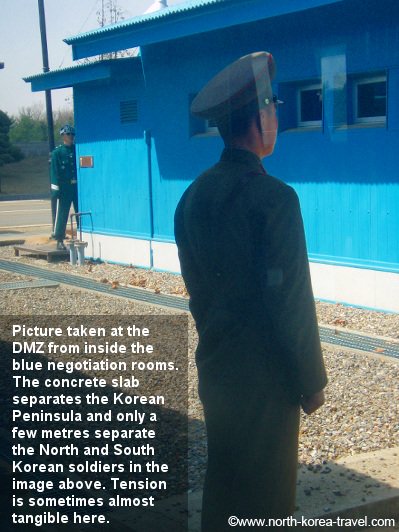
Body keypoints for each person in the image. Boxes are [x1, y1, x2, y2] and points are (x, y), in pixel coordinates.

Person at [174, 52, 327, 531]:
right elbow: (291, 303)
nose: (276, 119)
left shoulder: (191, 197)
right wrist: (311, 380)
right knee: (266, 500)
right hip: (267, 382)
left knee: (225, 488)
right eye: (273, 109)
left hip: (217, 371)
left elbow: (199, 294)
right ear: (260, 118)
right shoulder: (275, 198)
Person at [50, 124, 78, 250]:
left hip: (76, 187)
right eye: (68, 134)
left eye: (72, 134)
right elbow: (54, 172)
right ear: (63, 136)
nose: (71, 136)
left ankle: (83, 236)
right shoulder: (57, 153)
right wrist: (55, 190)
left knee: (79, 212)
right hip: (65, 187)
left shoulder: (77, 149)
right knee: (62, 214)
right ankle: (59, 239)